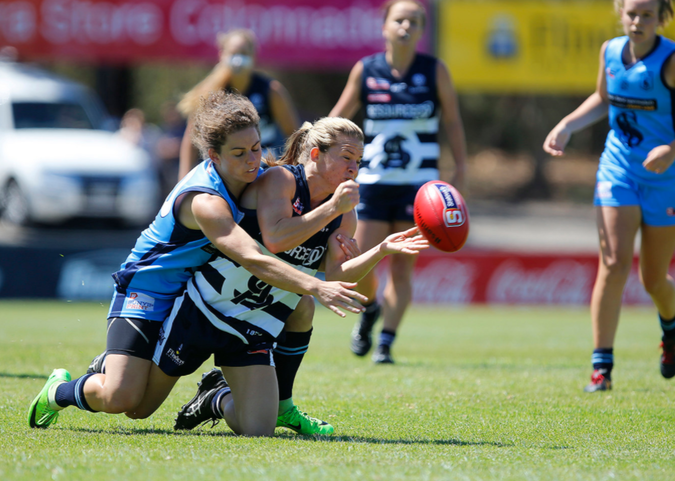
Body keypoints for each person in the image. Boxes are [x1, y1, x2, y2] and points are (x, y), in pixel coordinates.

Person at [27, 92, 366, 429]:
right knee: (125, 401)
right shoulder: (206, 200)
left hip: (193, 290)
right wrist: (315, 286)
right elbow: (252, 256)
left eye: (256, 148)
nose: (252, 160)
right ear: (213, 155)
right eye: (239, 153)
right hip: (149, 289)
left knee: (295, 318)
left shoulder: (257, 178)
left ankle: (216, 395)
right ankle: (60, 390)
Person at [169, 117, 429, 436]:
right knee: (135, 402)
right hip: (212, 299)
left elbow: (335, 275)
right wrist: (332, 208)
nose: (354, 168)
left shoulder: (345, 211)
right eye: (346, 158)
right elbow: (277, 237)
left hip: (261, 310)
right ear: (317, 155)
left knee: (301, 309)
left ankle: (245, 402)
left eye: (359, 161)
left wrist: (381, 251)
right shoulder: (282, 180)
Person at [543, 0, 675, 391]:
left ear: (661, 18)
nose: (638, 22)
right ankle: (602, 367)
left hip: (663, 178)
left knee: (653, 279)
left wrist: (671, 149)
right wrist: (568, 125)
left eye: (647, 15)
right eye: (632, 13)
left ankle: (671, 330)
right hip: (617, 169)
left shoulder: (669, 60)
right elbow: (603, 97)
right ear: (620, 12)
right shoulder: (610, 51)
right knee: (614, 262)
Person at [330, 0, 467, 364]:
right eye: (399, 19)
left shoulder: (434, 70)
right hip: (373, 183)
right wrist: (322, 154)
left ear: (422, 30)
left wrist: (461, 167)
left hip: (420, 189)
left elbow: (452, 121)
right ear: (385, 26)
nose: (406, 26)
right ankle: (371, 308)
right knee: (359, 261)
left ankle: (386, 342)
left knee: (403, 268)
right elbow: (338, 118)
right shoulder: (367, 70)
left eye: (414, 21)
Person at [177, 28, 300, 179]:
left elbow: (295, 135)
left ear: (253, 56)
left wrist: (296, 174)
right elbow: (190, 139)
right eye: (233, 53)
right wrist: (183, 181)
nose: (238, 59)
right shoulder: (210, 93)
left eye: (244, 53)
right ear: (222, 54)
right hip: (222, 175)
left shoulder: (271, 91)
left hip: (262, 173)